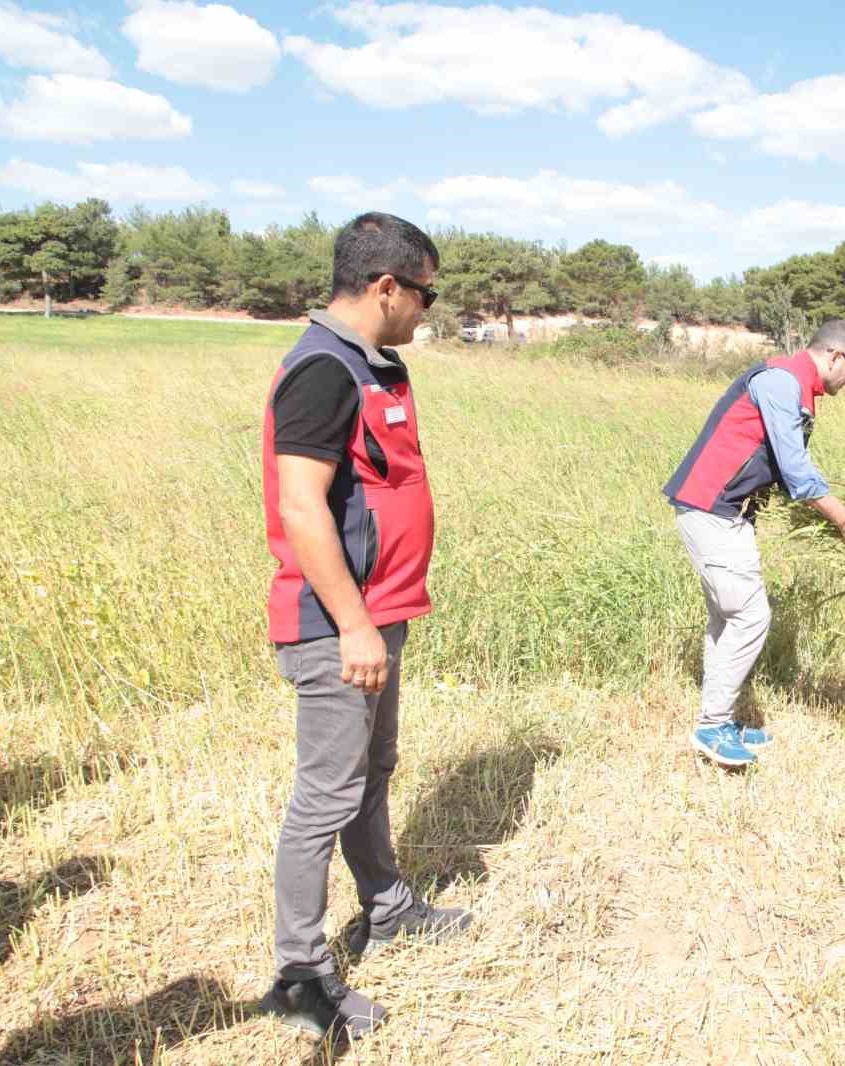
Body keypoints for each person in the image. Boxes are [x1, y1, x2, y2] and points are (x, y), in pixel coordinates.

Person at [256, 212, 471, 1041]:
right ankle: (301, 977)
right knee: (325, 796)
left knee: (372, 769)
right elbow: (301, 505)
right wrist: (351, 626)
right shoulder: (321, 370)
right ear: (386, 287)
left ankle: (385, 908)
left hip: (379, 615)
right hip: (337, 625)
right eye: (425, 292)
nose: (427, 309)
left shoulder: (368, 364)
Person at [663, 319, 845, 768]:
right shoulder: (781, 382)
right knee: (750, 615)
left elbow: (778, 463)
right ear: (835, 356)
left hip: (726, 512)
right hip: (712, 508)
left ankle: (717, 718)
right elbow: (796, 468)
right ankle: (712, 727)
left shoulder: (795, 385)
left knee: (728, 617)